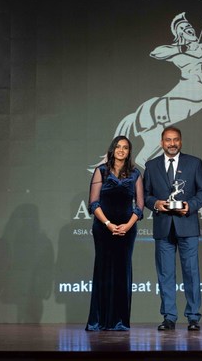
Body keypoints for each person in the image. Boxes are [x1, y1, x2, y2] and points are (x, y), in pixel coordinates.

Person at [144, 126, 202, 331]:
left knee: (191, 272)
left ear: (181, 142)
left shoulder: (194, 163)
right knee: (165, 273)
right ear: (161, 142)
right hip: (163, 225)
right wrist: (156, 203)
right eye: (168, 140)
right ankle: (169, 317)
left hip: (187, 225)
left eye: (176, 140)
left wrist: (191, 205)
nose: (172, 144)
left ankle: (193, 317)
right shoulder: (151, 165)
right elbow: (144, 195)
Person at [85, 136, 144, 331]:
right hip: (103, 228)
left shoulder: (135, 174)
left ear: (129, 152)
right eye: (118, 147)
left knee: (122, 273)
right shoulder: (101, 171)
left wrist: (127, 225)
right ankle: (99, 321)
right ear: (112, 149)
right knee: (104, 271)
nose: (121, 150)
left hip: (127, 230)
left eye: (125, 147)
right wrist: (109, 224)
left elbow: (140, 206)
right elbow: (93, 203)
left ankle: (119, 321)